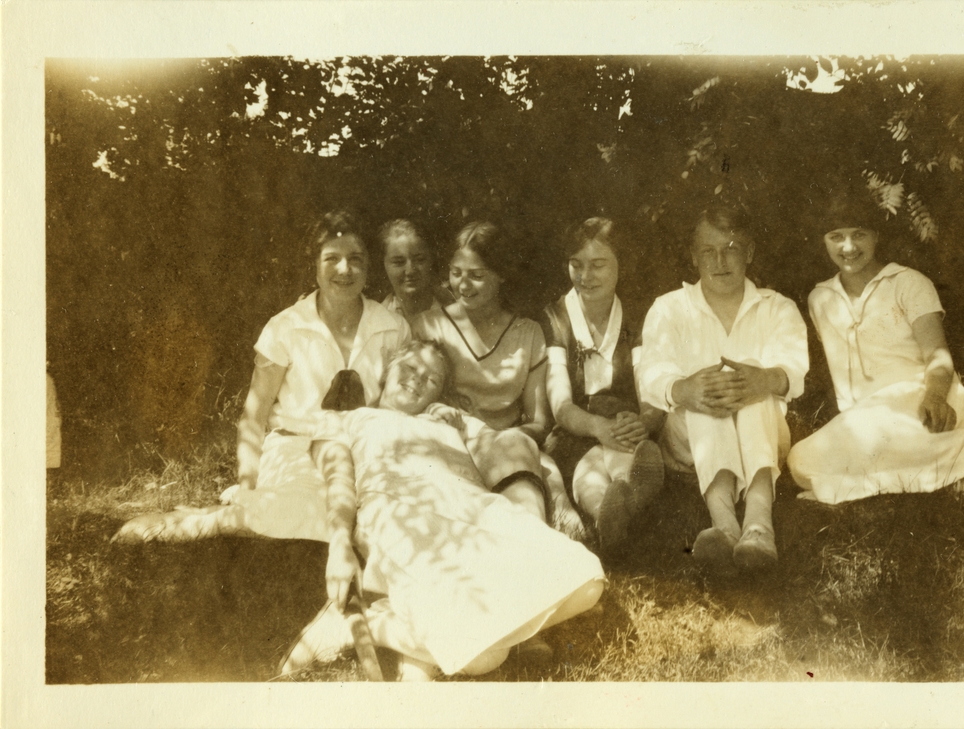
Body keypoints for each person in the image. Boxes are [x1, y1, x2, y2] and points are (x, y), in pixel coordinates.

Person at [280, 340, 605, 680]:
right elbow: (339, 483)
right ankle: (370, 627)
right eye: (409, 369)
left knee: (587, 579)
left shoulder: (450, 423)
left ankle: (386, 622)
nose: (418, 380)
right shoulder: (347, 419)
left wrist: (456, 423)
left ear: (438, 393)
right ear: (387, 371)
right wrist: (340, 546)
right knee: (485, 657)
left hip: (476, 512)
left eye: (432, 379)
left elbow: (509, 449)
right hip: (403, 516)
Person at [113, 211, 410, 543]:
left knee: (380, 519)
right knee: (319, 516)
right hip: (297, 447)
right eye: (332, 259)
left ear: (369, 265)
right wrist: (247, 485)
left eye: (356, 259)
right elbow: (254, 417)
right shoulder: (286, 327)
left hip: (364, 448)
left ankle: (236, 513)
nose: (345, 269)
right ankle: (211, 521)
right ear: (314, 265)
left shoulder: (391, 327)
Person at [785, 188, 964, 511]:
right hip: (864, 422)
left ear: (876, 236)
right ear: (823, 240)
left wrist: (935, 396)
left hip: (923, 401)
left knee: (869, 447)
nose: (848, 247)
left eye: (859, 234)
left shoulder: (908, 283)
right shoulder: (820, 299)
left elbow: (937, 354)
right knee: (800, 462)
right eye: (836, 236)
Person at [637, 206, 809, 578]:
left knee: (752, 384)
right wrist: (684, 389)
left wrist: (765, 380)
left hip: (763, 436)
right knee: (709, 392)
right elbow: (651, 372)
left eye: (730, 249)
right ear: (693, 257)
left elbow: (794, 370)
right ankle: (727, 525)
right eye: (707, 251)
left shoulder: (776, 307)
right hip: (689, 439)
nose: (719, 261)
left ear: (749, 253)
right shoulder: (668, 309)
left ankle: (758, 525)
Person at [412, 221, 584, 537]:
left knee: (542, 467)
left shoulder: (528, 333)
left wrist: (500, 439)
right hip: (449, 443)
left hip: (510, 445)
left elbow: (538, 420)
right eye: (456, 272)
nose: (463, 285)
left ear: (501, 274)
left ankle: (546, 526)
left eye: (476, 275)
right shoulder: (427, 326)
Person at [540, 217, 665, 554]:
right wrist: (596, 426)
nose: (585, 276)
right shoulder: (555, 318)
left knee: (622, 458)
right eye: (576, 265)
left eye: (597, 265)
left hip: (625, 427)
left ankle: (627, 496)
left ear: (621, 266)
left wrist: (644, 421)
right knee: (588, 471)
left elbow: (651, 392)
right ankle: (604, 515)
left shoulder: (637, 317)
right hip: (577, 429)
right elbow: (561, 404)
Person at [377, 218, 453, 324]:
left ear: (431, 260)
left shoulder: (457, 310)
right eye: (399, 262)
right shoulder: (375, 320)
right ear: (384, 264)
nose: (410, 271)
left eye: (420, 260)